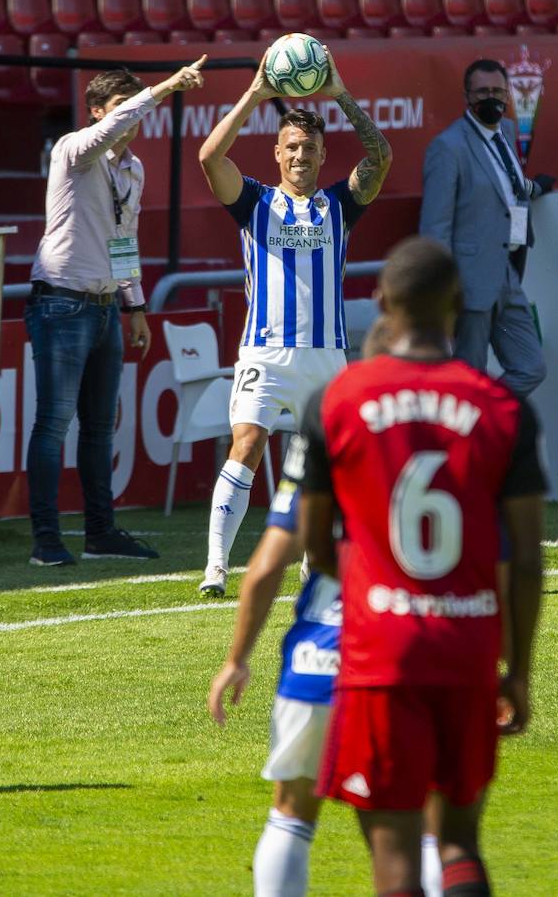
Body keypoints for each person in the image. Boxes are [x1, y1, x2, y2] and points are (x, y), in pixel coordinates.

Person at [295, 236, 545, 896]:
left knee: (397, 854)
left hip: (380, 652)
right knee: (459, 842)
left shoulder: (335, 402)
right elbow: (526, 560)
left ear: (381, 300)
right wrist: (516, 670)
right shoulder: (503, 410)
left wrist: (371, 583)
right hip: (468, 647)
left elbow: (315, 544)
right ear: (459, 304)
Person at [206, 317, 446, 897]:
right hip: (405, 650)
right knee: (421, 825)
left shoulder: (333, 422)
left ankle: (212, 559)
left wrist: (237, 658)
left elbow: (268, 563)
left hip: (319, 652)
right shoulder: (458, 423)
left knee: (291, 811)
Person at [195, 44, 392, 597]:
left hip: (326, 360)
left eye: (310, 148)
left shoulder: (339, 205)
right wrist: (257, 93)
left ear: (323, 156)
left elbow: (380, 160)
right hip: (265, 353)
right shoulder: (254, 202)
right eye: (292, 147)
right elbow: (211, 157)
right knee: (248, 443)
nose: (301, 156)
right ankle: (215, 567)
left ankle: (313, 563)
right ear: (277, 153)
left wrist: (342, 96)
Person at [25, 56, 208, 566]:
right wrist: (168, 85)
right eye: (120, 107)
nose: (133, 117)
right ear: (95, 112)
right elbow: (115, 126)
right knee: (54, 425)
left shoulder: (134, 168)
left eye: (136, 106)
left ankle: (100, 533)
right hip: (62, 301)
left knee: (101, 428)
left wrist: (136, 307)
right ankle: (45, 540)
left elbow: (124, 239)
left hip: (105, 306)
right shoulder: (72, 151)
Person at [419, 58, 557, 399]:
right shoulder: (448, 147)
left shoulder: (506, 132)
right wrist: (444, 290)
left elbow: (505, 184)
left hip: (509, 273)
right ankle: (467, 434)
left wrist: (535, 188)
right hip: (469, 281)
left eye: (497, 91)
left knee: (531, 366)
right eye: (482, 92)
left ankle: (479, 410)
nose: (491, 98)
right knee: (469, 372)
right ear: (467, 96)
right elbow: (434, 227)